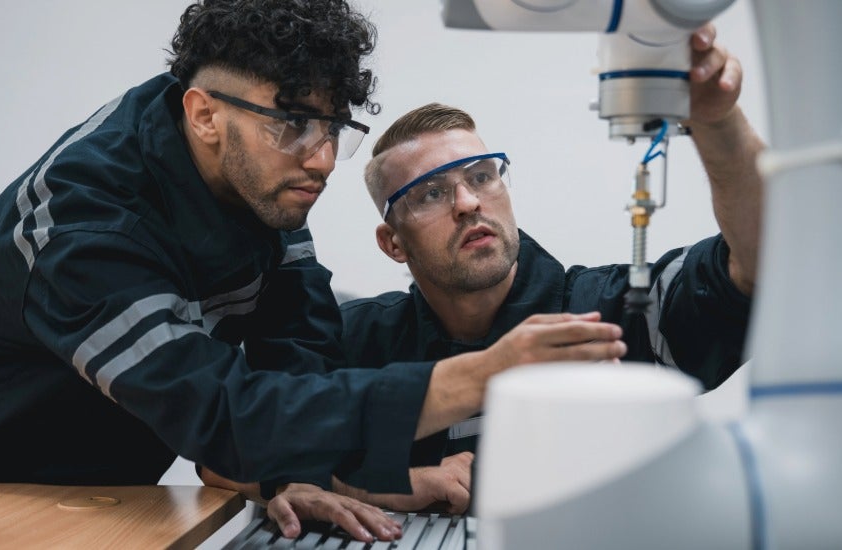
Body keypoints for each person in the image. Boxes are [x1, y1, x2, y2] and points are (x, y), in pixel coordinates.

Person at [0, 0, 627, 543]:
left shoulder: (255, 179)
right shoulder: (86, 227)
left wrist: (295, 472)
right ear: (204, 114)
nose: (320, 159)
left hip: (90, 495)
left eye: (333, 127)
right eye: (293, 123)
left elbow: (299, 342)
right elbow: (221, 413)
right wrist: (473, 377)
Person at [322, 22, 765, 515]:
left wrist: (718, 120)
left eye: (482, 176)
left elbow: (758, 264)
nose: (468, 202)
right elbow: (242, 454)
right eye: (432, 192)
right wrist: (384, 484)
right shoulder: (358, 340)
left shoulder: (608, 313)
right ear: (393, 243)